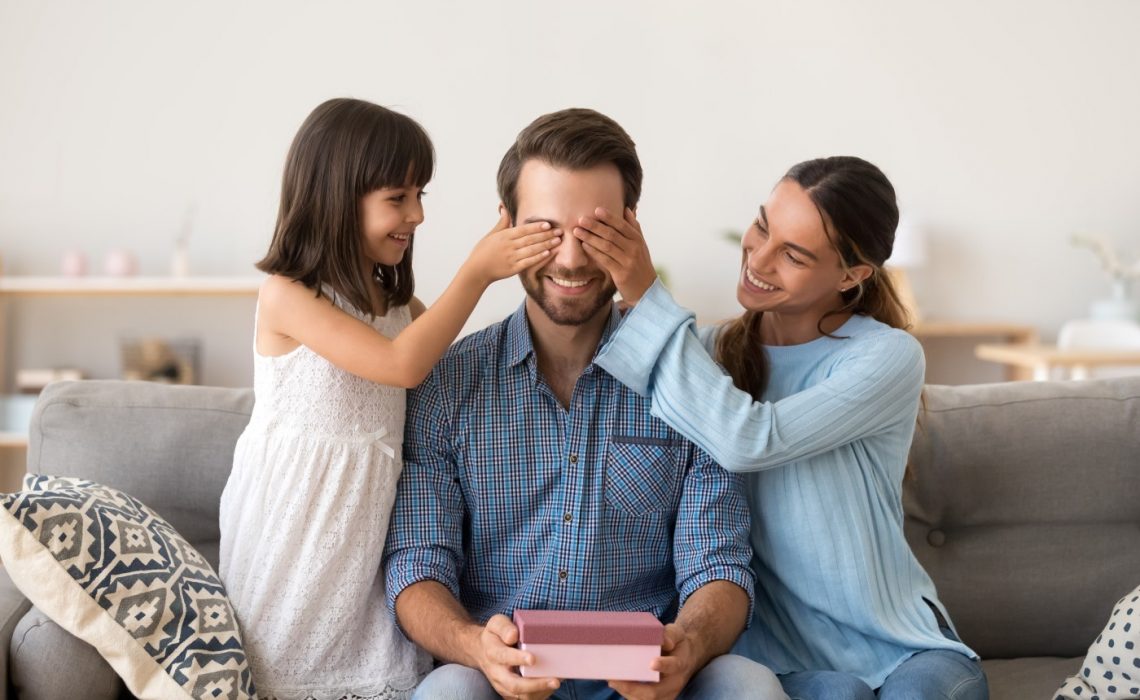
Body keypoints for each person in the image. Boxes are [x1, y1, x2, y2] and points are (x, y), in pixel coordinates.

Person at [383, 108, 786, 700]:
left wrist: (690, 645)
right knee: (448, 692)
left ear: (631, 225)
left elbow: (720, 566)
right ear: (506, 225)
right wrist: (476, 647)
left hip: (651, 683)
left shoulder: (689, 384)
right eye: (545, 230)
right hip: (501, 682)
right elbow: (417, 565)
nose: (570, 259)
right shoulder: (448, 384)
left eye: (594, 232)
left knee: (748, 685)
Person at [572, 156, 989, 699]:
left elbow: (749, 438)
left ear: (852, 275)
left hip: (898, 648)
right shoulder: (708, 354)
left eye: (793, 254)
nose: (759, 259)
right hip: (777, 661)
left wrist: (645, 289)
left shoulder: (885, 356)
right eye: (763, 227)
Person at [217, 98, 559, 700]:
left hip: (361, 542)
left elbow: (451, 362)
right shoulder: (289, 297)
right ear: (336, 196)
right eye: (397, 198)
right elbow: (403, 365)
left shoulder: (394, 303)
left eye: (420, 194)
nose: (418, 215)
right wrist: (477, 271)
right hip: (297, 533)